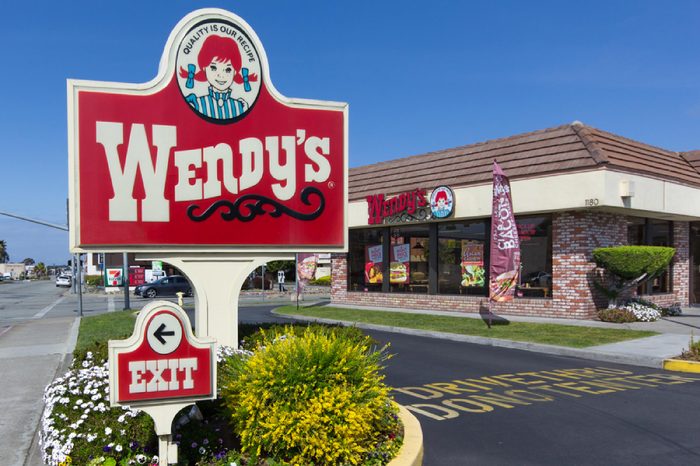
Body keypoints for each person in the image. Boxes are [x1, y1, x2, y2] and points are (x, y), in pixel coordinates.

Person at [179, 35, 258, 120]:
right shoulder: (197, 103)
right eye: (213, 68)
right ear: (204, 68)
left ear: (235, 72)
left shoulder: (239, 106)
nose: (221, 75)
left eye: (228, 69)